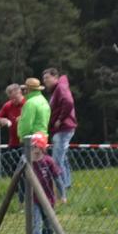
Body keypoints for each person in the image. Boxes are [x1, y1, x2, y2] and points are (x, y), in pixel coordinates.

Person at [22, 132, 63, 234]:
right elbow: (22, 183)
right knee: (36, 222)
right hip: (34, 199)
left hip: (48, 199)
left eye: (38, 147)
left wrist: (62, 194)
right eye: (33, 147)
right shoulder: (27, 163)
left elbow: (57, 178)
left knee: (48, 222)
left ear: (43, 148)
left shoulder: (48, 161)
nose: (36, 150)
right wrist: (22, 198)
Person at [42, 67, 77, 195]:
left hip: (63, 129)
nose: (45, 81)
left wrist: (60, 119)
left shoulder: (60, 88)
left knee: (56, 161)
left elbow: (68, 102)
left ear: (55, 77)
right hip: (62, 129)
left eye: (47, 78)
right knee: (63, 158)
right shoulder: (58, 89)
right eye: (43, 79)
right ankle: (66, 185)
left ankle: (61, 192)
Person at [16, 77, 49, 149]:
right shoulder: (44, 101)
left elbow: (26, 124)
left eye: (25, 89)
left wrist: (22, 137)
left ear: (28, 89)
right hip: (43, 138)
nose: (24, 91)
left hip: (31, 139)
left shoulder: (30, 103)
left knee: (29, 156)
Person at [0, 84, 24, 151]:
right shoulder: (8, 105)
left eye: (15, 97)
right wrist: (2, 121)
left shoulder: (28, 103)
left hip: (27, 142)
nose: (13, 100)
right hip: (13, 144)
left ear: (20, 92)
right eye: (11, 98)